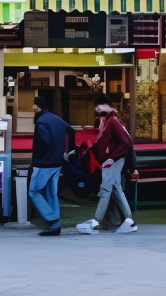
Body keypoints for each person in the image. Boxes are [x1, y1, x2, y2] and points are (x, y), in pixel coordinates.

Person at [79, 103, 137, 234]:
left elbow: (126, 142)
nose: (100, 117)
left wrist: (112, 158)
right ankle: (129, 221)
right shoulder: (111, 123)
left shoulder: (112, 123)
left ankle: (95, 222)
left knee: (105, 189)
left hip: (113, 161)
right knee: (116, 190)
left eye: (101, 114)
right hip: (113, 161)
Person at [30, 96, 73, 236]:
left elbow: (44, 141)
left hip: (44, 163)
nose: (33, 108)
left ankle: (51, 217)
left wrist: (37, 157)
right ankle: (56, 225)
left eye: (35, 105)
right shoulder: (57, 119)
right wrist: (64, 151)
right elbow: (71, 130)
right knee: (51, 193)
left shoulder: (41, 122)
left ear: (38, 107)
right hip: (57, 162)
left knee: (34, 191)